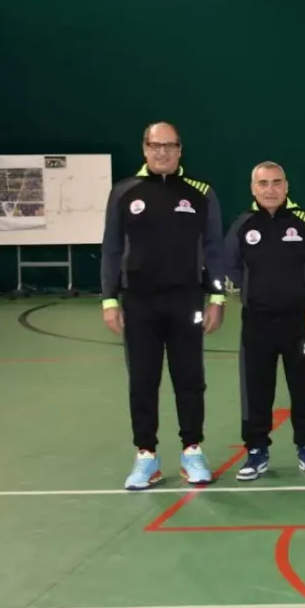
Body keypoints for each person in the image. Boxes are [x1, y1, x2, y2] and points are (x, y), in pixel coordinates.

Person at [101, 122, 226, 490]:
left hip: (186, 299)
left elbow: (214, 249)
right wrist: (109, 299)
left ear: (180, 150)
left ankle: (192, 451)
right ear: (145, 148)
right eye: (156, 145)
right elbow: (111, 248)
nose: (162, 152)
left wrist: (217, 297)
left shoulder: (201, 193)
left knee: (190, 379)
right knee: (143, 380)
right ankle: (146, 455)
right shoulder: (124, 192)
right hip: (138, 302)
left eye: (170, 146)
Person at [223, 161, 305, 480]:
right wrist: (254, 291)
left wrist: (303, 292)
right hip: (257, 322)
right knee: (256, 388)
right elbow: (230, 266)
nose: (270, 189)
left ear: (286, 186)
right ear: (253, 188)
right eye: (263, 183)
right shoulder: (242, 225)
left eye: (276, 182)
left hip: (299, 321)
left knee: (304, 386)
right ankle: (256, 451)